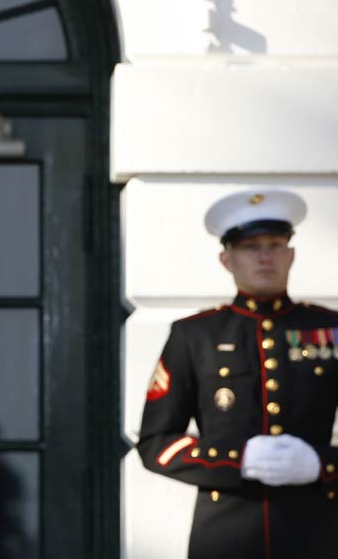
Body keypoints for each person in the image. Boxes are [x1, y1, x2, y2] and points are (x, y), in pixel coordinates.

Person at [137, 189, 338, 558]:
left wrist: (322, 463)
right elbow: (156, 444)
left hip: (315, 533)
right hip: (225, 535)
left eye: (276, 244)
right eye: (250, 246)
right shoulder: (195, 335)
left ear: (291, 255)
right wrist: (238, 460)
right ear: (226, 259)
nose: (265, 256)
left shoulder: (330, 329)